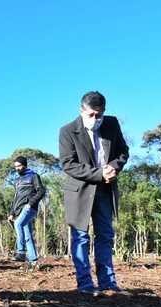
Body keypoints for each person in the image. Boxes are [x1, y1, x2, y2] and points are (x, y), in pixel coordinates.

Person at [58, 91, 129, 296]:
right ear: (82, 110)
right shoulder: (68, 131)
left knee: (105, 235)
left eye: (100, 115)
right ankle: (85, 286)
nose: (96, 120)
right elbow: (68, 164)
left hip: (105, 190)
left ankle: (108, 284)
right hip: (80, 191)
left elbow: (123, 151)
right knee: (80, 237)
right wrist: (99, 173)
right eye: (91, 115)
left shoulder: (111, 124)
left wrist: (114, 167)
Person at [7, 156, 46, 269]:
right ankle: (34, 262)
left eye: (19, 166)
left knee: (18, 224)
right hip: (19, 210)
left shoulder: (33, 176)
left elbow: (41, 191)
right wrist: (11, 213)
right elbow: (16, 198)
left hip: (29, 208)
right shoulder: (18, 181)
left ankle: (21, 252)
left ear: (25, 165)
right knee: (27, 234)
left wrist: (30, 203)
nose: (17, 169)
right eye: (15, 167)